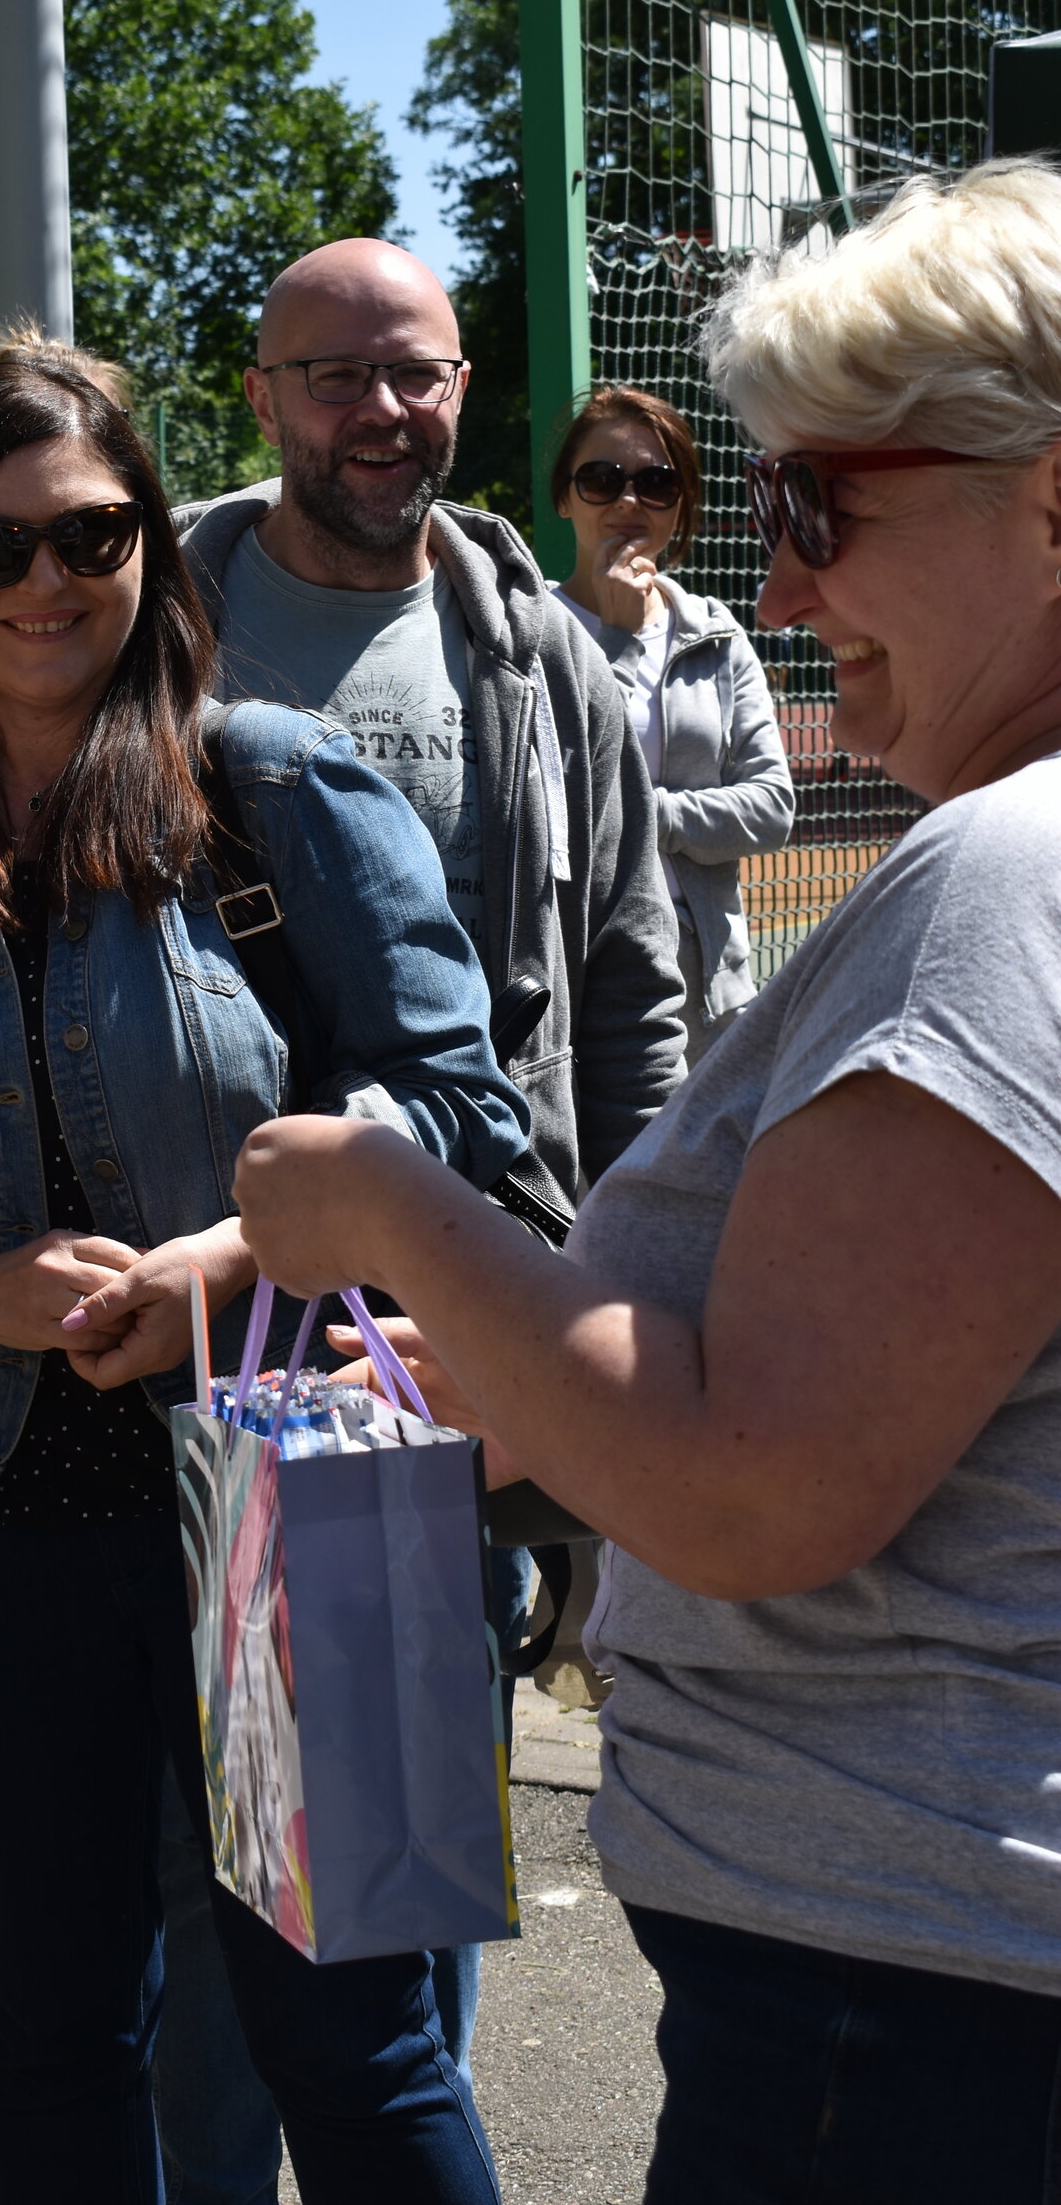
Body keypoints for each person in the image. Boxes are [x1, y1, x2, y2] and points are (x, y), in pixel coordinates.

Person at [234, 157, 1061, 2205]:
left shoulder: (998, 882)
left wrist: (390, 1211)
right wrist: (526, 1365)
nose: (775, 593)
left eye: (819, 509)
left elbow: (757, 1490)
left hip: (903, 1999)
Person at [0, 339, 532, 2205]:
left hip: (307, 1502)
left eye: (91, 536)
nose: (45, 582)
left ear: (150, 550)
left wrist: (239, 1256)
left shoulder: (272, 791)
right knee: (53, 2051)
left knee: (357, 2046)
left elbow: (460, 1107)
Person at [167, 238, 685, 2174]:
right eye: (335, 375)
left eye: (420, 374)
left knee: (400, 1922)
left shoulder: (537, 659)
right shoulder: (154, 623)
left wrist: (611, 1323)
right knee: (205, 1956)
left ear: (465, 389)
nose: (382, 412)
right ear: (262, 395)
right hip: (189, 1347)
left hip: (434, 1363)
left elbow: (627, 1001)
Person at [548, 384, 794, 1063]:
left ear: (680, 505)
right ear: (565, 497)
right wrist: (619, 641)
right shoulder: (526, 633)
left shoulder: (714, 635)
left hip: (712, 984)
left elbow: (771, 810)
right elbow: (553, 801)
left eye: (656, 483)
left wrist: (648, 815)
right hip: (586, 979)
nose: (629, 501)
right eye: (601, 480)